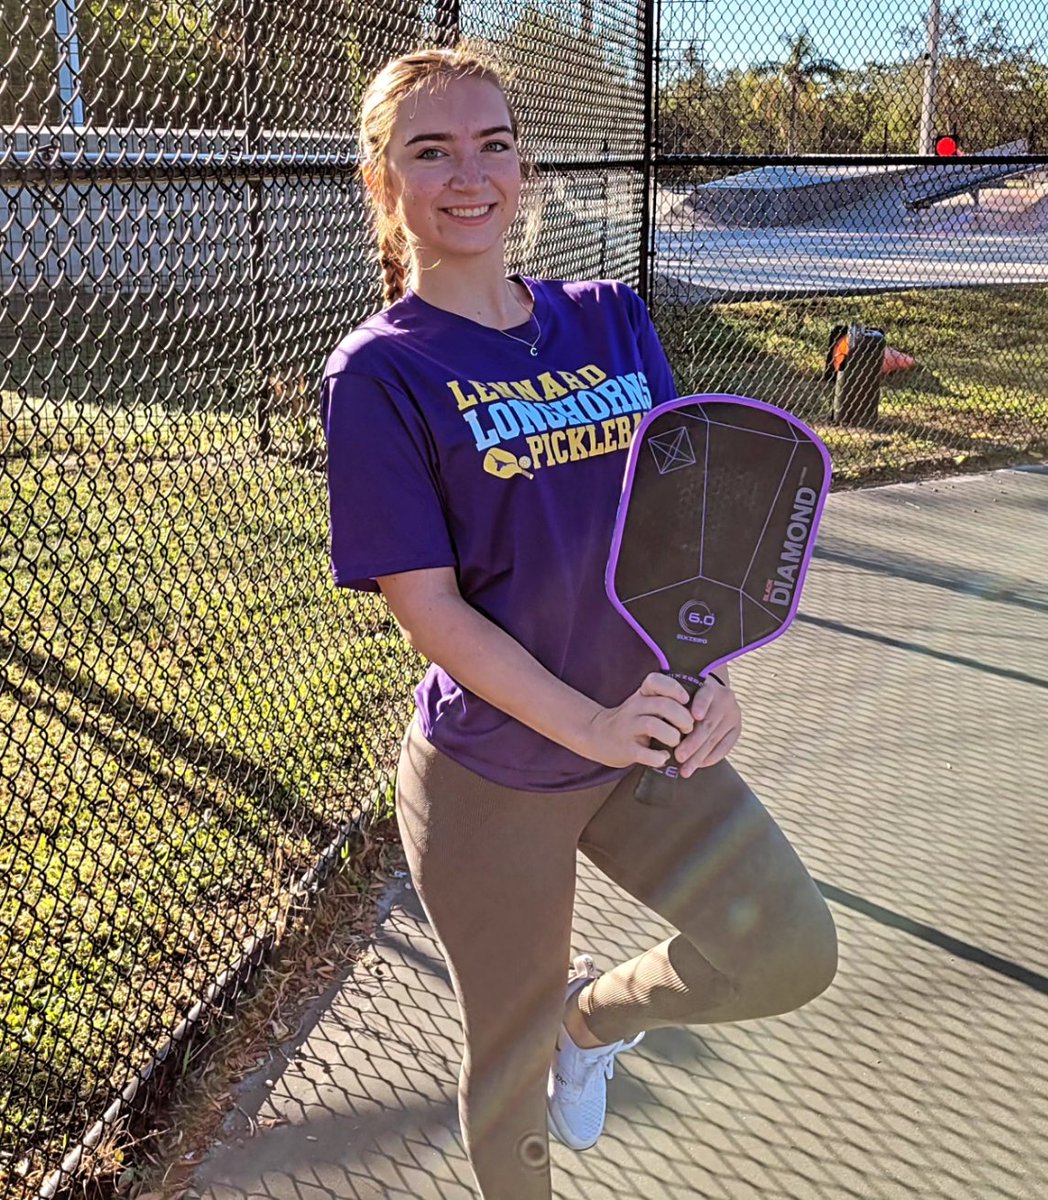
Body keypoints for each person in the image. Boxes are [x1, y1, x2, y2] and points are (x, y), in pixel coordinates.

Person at [320, 41, 838, 1200]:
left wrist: (707, 679)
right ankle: (542, 1039)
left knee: (789, 952)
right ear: (384, 181)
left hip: (644, 736)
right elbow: (431, 612)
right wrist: (589, 725)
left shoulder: (610, 319)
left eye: (494, 144)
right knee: (505, 1079)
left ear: (525, 169)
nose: (470, 174)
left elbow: (682, 536)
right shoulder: (381, 375)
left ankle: (590, 1024)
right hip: (495, 771)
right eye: (432, 150)